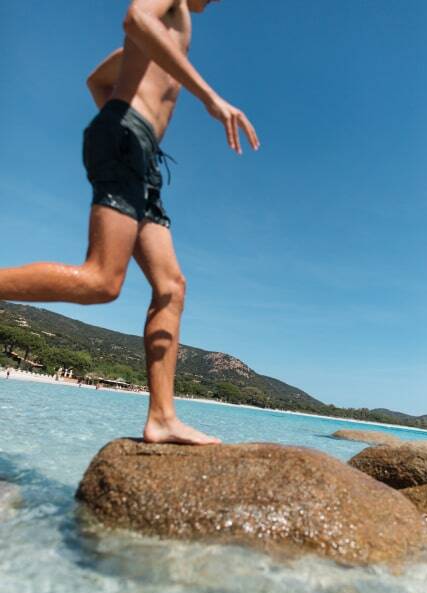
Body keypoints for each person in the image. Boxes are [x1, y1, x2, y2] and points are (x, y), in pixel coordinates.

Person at [0, 0, 259, 444]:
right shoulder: (171, 8)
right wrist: (205, 98)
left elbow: (95, 79)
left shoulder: (164, 43)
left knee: (171, 287)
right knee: (102, 280)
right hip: (127, 138)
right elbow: (136, 17)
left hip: (140, 153)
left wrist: (119, 110)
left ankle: (162, 417)